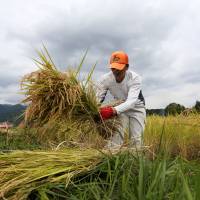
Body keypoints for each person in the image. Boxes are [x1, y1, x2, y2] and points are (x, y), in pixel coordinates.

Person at [96, 51, 146, 148]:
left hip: (137, 107)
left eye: (119, 68)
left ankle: (135, 161)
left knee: (136, 139)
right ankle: (110, 159)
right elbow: (98, 98)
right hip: (119, 107)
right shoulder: (105, 79)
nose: (116, 71)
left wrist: (112, 111)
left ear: (127, 67)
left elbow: (131, 102)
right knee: (116, 135)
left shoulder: (134, 78)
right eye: (113, 68)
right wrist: (96, 112)